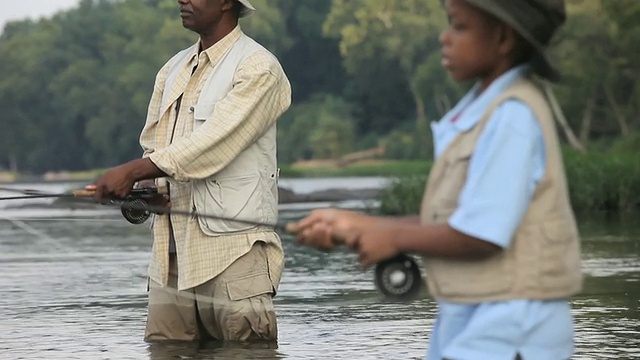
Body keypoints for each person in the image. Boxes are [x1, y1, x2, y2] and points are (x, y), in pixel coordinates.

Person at [292, 0, 582, 359]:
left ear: (504, 38)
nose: (444, 38)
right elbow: (461, 221)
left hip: (512, 329)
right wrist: (357, 225)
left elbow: (480, 234)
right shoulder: (483, 112)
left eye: (458, 27)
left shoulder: (512, 117)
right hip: (476, 320)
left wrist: (391, 235)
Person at [88, 0, 292, 344]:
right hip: (169, 259)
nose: (183, 0)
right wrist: (147, 188)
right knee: (166, 351)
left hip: (234, 254)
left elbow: (212, 143)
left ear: (227, 2)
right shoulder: (171, 70)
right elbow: (155, 150)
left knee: (248, 353)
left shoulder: (259, 68)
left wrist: (133, 171)